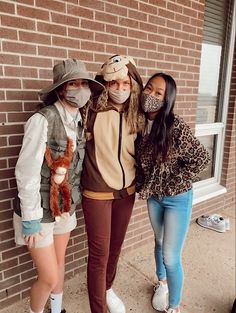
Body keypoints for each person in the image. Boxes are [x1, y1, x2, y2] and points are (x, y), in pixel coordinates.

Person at [13, 59, 104, 313]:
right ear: (62, 89)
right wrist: (30, 218)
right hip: (39, 210)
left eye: (84, 83)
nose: (80, 89)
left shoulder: (79, 121)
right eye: (73, 84)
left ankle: (57, 309)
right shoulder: (42, 120)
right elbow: (26, 172)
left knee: (60, 263)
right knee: (49, 276)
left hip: (65, 207)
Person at [135, 72, 210, 313]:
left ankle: (174, 307)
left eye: (159, 93)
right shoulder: (138, 125)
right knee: (158, 242)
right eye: (149, 89)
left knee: (170, 255)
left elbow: (201, 159)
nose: (151, 96)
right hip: (155, 199)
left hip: (177, 199)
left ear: (167, 100)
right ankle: (162, 283)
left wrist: (171, 182)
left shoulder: (175, 127)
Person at [80, 55, 145, 313]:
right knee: (99, 255)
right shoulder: (91, 109)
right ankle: (99, 309)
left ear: (133, 85)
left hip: (127, 192)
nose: (120, 89)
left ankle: (107, 289)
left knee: (115, 248)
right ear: (105, 84)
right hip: (96, 191)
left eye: (126, 84)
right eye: (114, 83)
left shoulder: (137, 112)